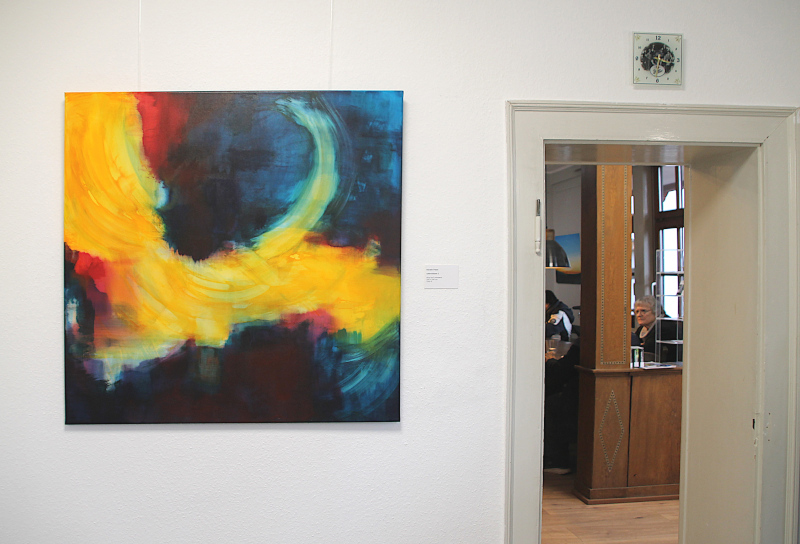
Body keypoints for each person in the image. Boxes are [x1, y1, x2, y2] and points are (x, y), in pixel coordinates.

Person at [543, 342, 580, 474]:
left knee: (552, 403)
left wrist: (549, 360)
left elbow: (563, 370)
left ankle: (556, 460)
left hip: (577, 396)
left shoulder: (584, 343)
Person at [632, 295, 680, 362]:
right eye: (637, 311)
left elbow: (650, 349)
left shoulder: (665, 326)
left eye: (643, 311)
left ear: (656, 312)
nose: (639, 315)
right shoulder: (641, 329)